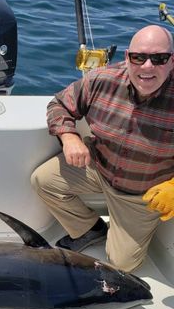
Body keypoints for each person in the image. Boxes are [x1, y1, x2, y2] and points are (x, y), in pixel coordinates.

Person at [30, 24, 174, 272]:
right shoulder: (101, 80)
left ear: (172, 61)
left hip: (142, 193)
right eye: (139, 57)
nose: (147, 66)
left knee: (122, 266)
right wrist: (69, 137)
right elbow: (58, 104)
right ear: (128, 57)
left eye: (159, 59)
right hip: (98, 168)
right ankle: (89, 229)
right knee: (43, 181)